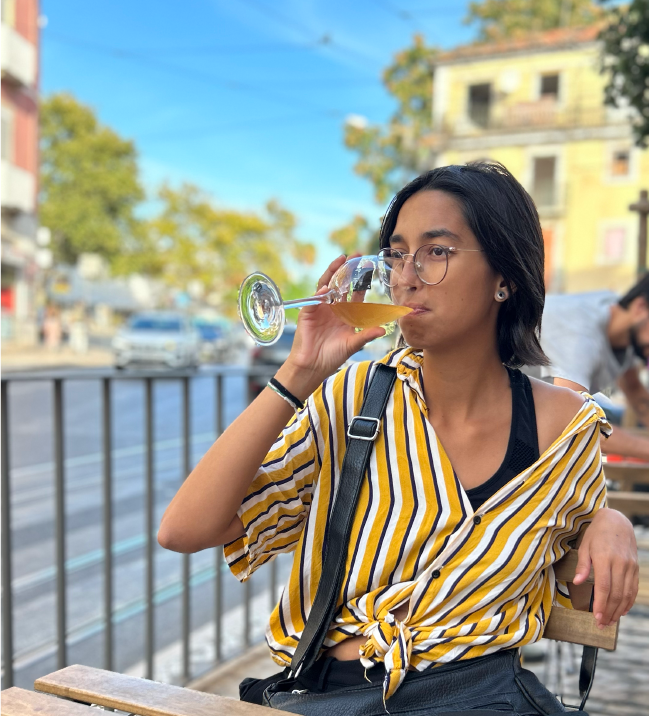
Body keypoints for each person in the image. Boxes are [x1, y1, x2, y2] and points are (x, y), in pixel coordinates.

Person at [159, 162, 638, 715]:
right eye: (396, 253)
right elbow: (184, 529)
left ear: (504, 277)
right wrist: (297, 374)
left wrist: (610, 522)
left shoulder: (564, 428)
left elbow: (589, 599)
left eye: (437, 251)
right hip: (334, 696)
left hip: (479, 697)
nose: (406, 275)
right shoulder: (356, 399)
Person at [523, 278, 649, 461]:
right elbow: (576, 425)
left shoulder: (618, 320)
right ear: (640, 307)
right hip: (497, 424)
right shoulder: (579, 336)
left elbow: (635, 390)